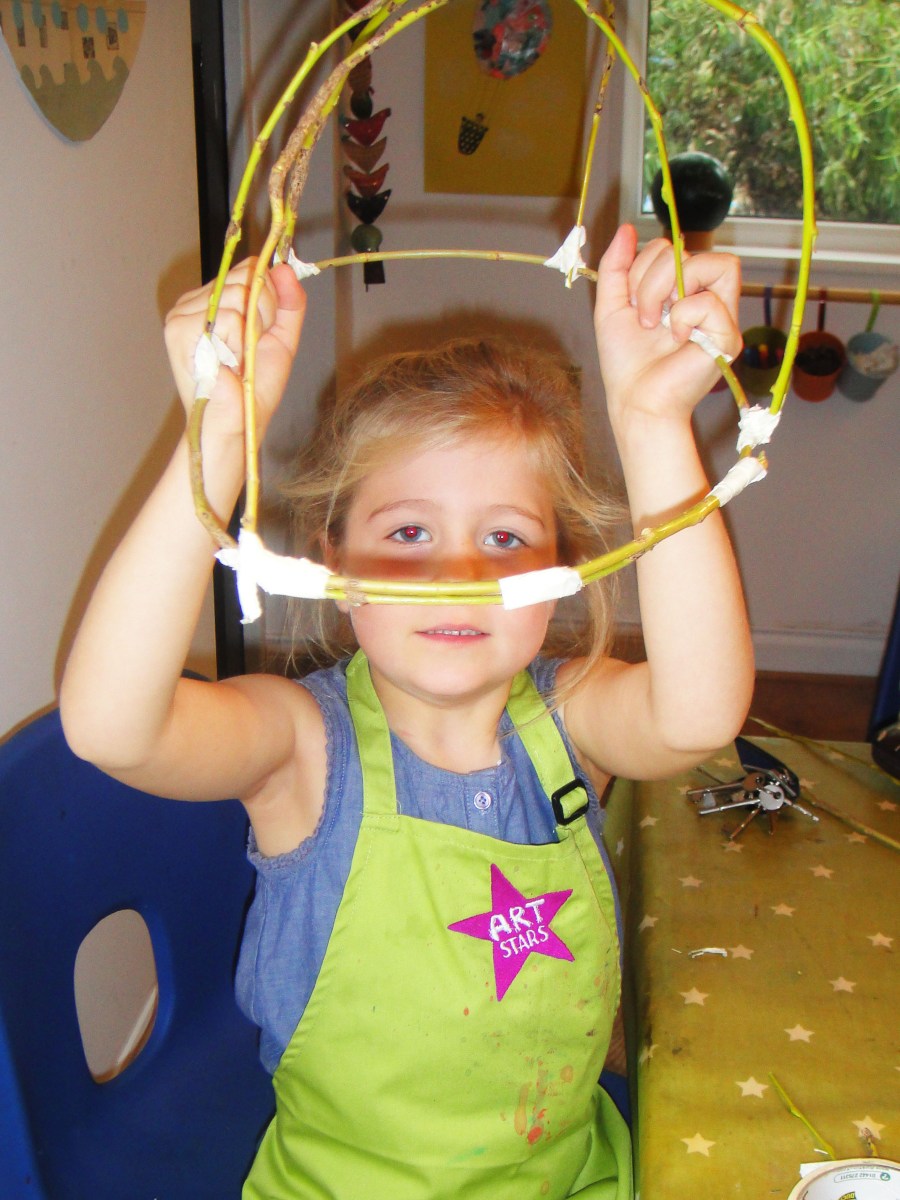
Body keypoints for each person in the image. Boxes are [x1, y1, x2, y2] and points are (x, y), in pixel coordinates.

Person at [59, 223, 753, 1199]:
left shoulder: (571, 722)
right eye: (410, 531)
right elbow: (110, 727)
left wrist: (653, 421)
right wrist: (217, 440)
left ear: (561, 573)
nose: (459, 575)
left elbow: (699, 717)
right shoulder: (301, 750)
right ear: (338, 569)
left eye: (505, 537)